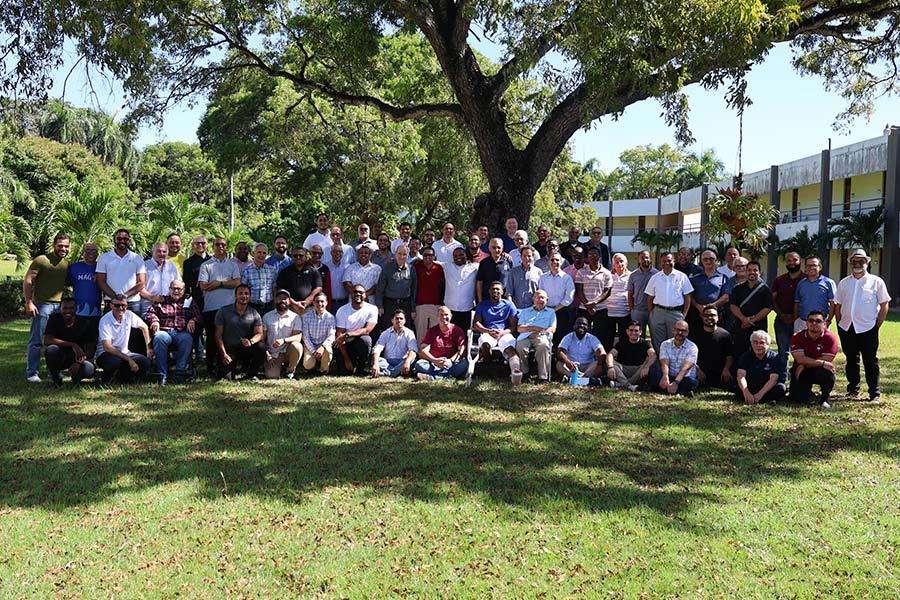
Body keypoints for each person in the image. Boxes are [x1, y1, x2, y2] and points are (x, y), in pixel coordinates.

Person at [834, 249, 891, 402]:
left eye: (861, 261)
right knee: (851, 359)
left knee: (870, 360)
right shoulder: (844, 282)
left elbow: (884, 304)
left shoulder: (876, 281)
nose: (857, 264)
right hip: (847, 327)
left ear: (867, 262)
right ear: (851, 263)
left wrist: (877, 324)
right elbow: (837, 306)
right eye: (854, 261)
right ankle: (853, 390)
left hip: (868, 328)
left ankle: (874, 393)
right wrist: (840, 323)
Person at [23, 232, 71, 382]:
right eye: (60, 245)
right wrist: (29, 302)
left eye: (66, 246)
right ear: (54, 245)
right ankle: (32, 373)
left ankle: (53, 371)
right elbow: (28, 280)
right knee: (37, 341)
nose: (63, 248)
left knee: (56, 341)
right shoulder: (41, 260)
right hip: (42, 306)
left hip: (59, 308)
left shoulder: (66, 264)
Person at [198, 237, 242, 376]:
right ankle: (210, 368)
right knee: (212, 339)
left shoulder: (232, 265)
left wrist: (219, 283)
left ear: (227, 247)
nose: (220, 247)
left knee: (228, 339)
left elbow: (237, 283)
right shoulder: (206, 265)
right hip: (211, 308)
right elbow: (203, 285)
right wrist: (223, 283)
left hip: (229, 308)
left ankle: (227, 368)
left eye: (223, 245)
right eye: (218, 244)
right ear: (213, 246)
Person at [145, 279, 199, 385]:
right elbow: (150, 313)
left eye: (179, 289)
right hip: (165, 331)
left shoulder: (189, 300)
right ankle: (162, 375)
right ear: (169, 289)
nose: (176, 291)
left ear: (183, 290)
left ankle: (179, 373)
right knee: (159, 337)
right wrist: (155, 321)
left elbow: (198, 316)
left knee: (187, 339)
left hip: (181, 332)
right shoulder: (161, 300)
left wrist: (193, 320)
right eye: (173, 288)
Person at [473, 281, 522, 384]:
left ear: (502, 291)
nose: (495, 291)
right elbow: (476, 323)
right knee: (485, 346)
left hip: (504, 333)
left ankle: (515, 373)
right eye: (493, 289)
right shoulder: (483, 304)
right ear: (489, 291)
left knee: (510, 350)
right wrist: (487, 330)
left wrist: (502, 332)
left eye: (498, 289)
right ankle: (490, 370)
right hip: (488, 332)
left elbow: (513, 327)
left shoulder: (509, 305)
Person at [789, 310, 840, 408]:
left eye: (818, 321)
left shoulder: (830, 338)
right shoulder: (797, 336)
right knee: (798, 400)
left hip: (817, 369)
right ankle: (807, 395)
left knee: (828, 372)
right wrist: (821, 362)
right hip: (801, 370)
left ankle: (824, 399)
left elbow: (827, 359)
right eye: (811, 320)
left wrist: (805, 363)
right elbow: (800, 359)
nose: (814, 323)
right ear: (806, 323)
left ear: (824, 324)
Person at [96, 295, 153, 384]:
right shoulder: (105, 320)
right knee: (115, 361)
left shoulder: (129, 315)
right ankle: (107, 378)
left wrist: (149, 348)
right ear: (111, 305)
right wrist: (129, 360)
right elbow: (107, 347)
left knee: (145, 362)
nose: (121, 308)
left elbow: (144, 327)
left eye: (124, 305)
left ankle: (124, 378)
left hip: (125, 352)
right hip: (105, 354)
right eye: (117, 305)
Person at [214, 284, 266, 381]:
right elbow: (218, 335)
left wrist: (251, 341)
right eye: (240, 293)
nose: (243, 296)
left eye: (246, 294)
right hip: (229, 350)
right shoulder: (223, 311)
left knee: (261, 346)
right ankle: (229, 369)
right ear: (235, 296)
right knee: (227, 378)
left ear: (250, 297)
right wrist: (223, 354)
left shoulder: (254, 313)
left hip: (246, 349)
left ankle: (251, 374)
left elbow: (260, 334)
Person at [645, 252, 693, 354]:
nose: (666, 263)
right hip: (658, 312)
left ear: (674, 261)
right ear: (660, 263)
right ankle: (659, 367)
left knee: (676, 341)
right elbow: (649, 298)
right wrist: (651, 314)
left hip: (675, 313)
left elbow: (687, 297)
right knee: (658, 342)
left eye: (669, 260)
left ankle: (673, 366)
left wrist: (684, 314)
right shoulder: (655, 277)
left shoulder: (682, 277)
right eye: (664, 261)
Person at [43, 297, 97, 385]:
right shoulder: (54, 319)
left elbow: (91, 350)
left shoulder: (85, 322)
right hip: (60, 356)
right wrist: (72, 344)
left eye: (71, 308)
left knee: (89, 369)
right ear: (60, 309)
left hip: (78, 358)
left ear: (76, 309)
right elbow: (47, 340)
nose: (68, 311)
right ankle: (56, 378)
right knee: (51, 350)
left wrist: (79, 363)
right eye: (65, 308)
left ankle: (76, 378)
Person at [728, 261, 772, 359]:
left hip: (758, 327)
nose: (752, 272)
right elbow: (733, 306)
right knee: (739, 354)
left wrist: (752, 321)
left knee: (758, 354)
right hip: (741, 327)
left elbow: (767, 308)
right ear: (746, 272)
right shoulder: (737, 288)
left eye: (755, 270)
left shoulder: (765, 290)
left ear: (760, 272)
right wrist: (744, 319)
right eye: (749, 270)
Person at [96, 229, 146, 313]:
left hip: (132, 303)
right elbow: (101, 281)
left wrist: (125, 296)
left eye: (125, 239)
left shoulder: (137, 258)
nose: (122, 241)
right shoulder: (104, 258)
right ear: (114, 240)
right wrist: (115, 297)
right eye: (119, 238)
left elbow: (141, 283)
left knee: (133, 326)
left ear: (129, 241)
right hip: (111, 301)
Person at [415, 306, 469, 380]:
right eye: (441, 314)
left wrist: (450, 361)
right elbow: (423, 350)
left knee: (465, 363)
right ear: (437, 317)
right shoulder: (432, 330)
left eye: (446, 314)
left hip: (451, 363)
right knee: (419, 364)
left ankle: (432, 377)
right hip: (434, 363)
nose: (444, 317)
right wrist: (434, 360)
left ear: (451, 316)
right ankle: (447, 376)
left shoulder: (457, 330)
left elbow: (461, 350)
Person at [334, 285, 379, 375]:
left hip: (359, 340)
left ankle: (361, 368)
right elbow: (339, 335)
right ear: (351, 294)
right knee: (343, 371)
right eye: (355, 292)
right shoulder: (342, 310)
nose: (358, 294)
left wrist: (348, 334)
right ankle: (347, 364)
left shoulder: (372, 309)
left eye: (361, 292)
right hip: (346, 342)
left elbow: (367, 330)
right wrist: (346, 359)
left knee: (366, 340)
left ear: (365, 295)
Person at [514, 290, 556, 383]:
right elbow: (519, 328)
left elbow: (552, 328)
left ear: (547, 300)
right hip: (525, 336)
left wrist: (541, 332)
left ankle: (543, 376)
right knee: (520, 347)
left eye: (542, 297)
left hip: (542, 336)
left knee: (544, 346)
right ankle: (525, 373)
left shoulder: (551, 312)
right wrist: (532, 328)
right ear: (533, 299)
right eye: (537, 297)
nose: (540, 299)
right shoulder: (525, 311)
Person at [648, 320, 698, 396]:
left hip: (684, 378)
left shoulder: (692, 347)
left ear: (687, 333)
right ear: (673, 330)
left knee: (691, 382)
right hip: (669, 375)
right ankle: (679, 391)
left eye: (683, 330)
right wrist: (665, 376)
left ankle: (666, 389)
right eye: (677, 330)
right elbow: (664, 363)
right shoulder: (665, 344)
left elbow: (685, 368)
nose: (680, 333)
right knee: (653, 371)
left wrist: (676, 382)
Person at [735, 330, 787, 404]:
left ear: (768, 345)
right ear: (751, 344)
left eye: (762, 343)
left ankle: (758, 399)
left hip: (767, 388)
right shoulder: (745, 356)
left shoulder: (776, 358)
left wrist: (759, 395)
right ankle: (755, 398)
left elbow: (773, 380)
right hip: (751, 386)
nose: (758, 345)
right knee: (737, 385)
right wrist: (746, 392)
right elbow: (741, 376)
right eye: (755, 342)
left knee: (781, 388)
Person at [575, 247, 613, 346]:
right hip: (584, 308)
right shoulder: (581, 272)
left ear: (599, 256)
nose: (592, 256)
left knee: (601, 334)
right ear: (587, 257)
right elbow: (579, 290)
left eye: (595, 254)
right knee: (582, 332)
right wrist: (588, 305)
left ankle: (600, 357)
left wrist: (594, 303)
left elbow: (607, 292)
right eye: (590, 254)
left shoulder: (606, 273)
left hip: (601, 309)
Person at [262, 290, 303, 379]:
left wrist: (283, 340)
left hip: (288, 351)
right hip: (273, 353)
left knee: (297, 346)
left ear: (289, 301)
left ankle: (290, 370)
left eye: (285, 298)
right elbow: (262, 340)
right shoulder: (267, 316)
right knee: (272, 375)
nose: (282, 301)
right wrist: (267, 354)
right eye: (279, 298)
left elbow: (298, 337)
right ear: (275, 300)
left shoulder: (295, 317)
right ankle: (280, 368)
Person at [375, 244, 416, 331]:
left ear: (407, 255)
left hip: (405, 304)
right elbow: (380, 288)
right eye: (399, 253)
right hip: (390, 304)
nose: (401, 256)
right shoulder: (387, 267)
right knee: (389, 329)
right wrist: (380, 306)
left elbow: (414, 290)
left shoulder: (411, 269)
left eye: (404, 254)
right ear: (395, 254)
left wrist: (413, 309)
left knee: (405, 329)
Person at [688, 249, 731, 332]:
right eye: (705, 259)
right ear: (702, 261)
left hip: (716, 315)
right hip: (697, 315)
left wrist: (711, 306)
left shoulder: (723, 278)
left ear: (716, 261)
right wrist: (698, 306)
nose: (708, 261)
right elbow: (690, 296)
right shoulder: (694, 278)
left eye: (711, 259)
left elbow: (726, 297)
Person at [691, 306, 734, 390]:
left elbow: (729, 356)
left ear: (718, 318)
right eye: (706, 315)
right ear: (702, 317)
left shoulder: (725, 335)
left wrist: (726, 369)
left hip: (719, 373)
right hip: (700, 373)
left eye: (712, 315)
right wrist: (697, 370)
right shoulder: (695, 334)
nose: (709, 318)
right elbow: (689, 356)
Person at [605, 320, 655, 391]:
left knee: (648, 361)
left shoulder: (645, 343)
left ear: (640, 332)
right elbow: (610, 354)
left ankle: (622, 384)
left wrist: (647, 367)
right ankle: (630, 386)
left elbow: (653, 355)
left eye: (636, 331)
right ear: (627, 331)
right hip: (623, 370)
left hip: (639, 371)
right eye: (631, 330)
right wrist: (610, 367)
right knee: (612, 362)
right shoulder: (622, 342)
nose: (633, 333)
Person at [771, 251, 803, 358]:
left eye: (795, 260)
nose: (792, 262)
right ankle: (782, 375)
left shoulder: (806, 279)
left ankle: (798, 374)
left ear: (800, 261)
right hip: (782, 321)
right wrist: (782, 315)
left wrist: (795, 317)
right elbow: (773, 300)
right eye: (789, 260)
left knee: (801, 351)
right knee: (783, 353)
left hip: (801, 321)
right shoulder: (779, 280)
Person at [538, 253, 575, 342]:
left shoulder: (567, 278)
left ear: (561, 262)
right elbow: (541, 293)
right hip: (546, 311)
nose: (554, 262)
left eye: (557, 260)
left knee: (561, 337)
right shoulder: (543, 277)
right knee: (546, 337)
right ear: (548, 262)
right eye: (552, 260)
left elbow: (569, 297)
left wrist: (555, 309)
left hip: (562, 311)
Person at [370, 309, 418, 378]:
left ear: (404, 321)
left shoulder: (409, 333)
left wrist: (407, 362)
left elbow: (413, 350)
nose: (399, 320)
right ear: (392, 320)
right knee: (376, 359)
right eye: (397, 318)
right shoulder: (385, 333)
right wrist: (375, 363)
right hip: (387, 362)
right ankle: (397, 373)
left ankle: (387, 373)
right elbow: (378, 348)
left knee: (412, 359)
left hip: (402, 361)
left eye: (401, 318)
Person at [793, 256, 836, 332]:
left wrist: (828, 320)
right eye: (808, 265)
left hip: (821, 323)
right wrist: (797, 319)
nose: (811, 267)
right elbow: (797, 303)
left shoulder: (829, 283)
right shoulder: (801, 283)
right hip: (802, 323)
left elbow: (833, 304)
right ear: (805, 268)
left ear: (820, 267)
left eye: (814, 265)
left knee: (820, 344)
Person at [277, 246, 323, 315]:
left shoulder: (313, 271)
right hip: (290, 308)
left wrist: (308, 300)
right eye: (295, 256)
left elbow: (318, 287)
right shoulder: (285, 272)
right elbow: (280, 289)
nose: (298, 257)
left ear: (305, 257)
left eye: (301, 255)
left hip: (309, 308)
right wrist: (293, 303)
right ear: (292, 257)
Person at [442, 247, 479, 331]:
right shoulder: (446, 266)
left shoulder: (475, 267)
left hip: (466, 309)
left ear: (466, 255)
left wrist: (504, 255)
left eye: (461, 254)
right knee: (448, 334)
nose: (458, 257)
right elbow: (431, 261)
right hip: (449, 308)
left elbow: (487, 263)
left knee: (464, 335)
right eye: (455, 255)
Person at [412, 247, 445, 340]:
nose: (428, 257)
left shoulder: (439, 268)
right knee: (420, 334)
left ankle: (433, 353)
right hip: (420, 305)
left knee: (435, 333)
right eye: (425, 255)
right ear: (422, 256)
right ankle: (420, 353)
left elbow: (443, 286)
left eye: (430, 255)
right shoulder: (416, 266)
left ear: (434, 256)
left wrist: (442, 304)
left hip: (436, 305)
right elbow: (412, 286)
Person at [300, 293, 336, 375]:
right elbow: (305, 336)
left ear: (326, 302)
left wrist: (322, 347)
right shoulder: (306, 316)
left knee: (328, 349)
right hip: (310, 346)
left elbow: (331, 336)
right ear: (313, 303)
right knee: (308, 365)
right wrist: (313, 351)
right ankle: (314, 365)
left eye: (322, 301)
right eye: (317, 301)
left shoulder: (330, 317)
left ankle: (323, 370)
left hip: (323, 345)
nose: (320, 304)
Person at [140, 242, 179, 316]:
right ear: (153, 252)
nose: (161, 253)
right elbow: (139, 288)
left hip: (168, 307)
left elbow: (178, 284)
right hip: (148, 307)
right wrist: (153, 297)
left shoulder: (171, 266)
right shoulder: (144, 265)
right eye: (158, 251)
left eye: (164, 251)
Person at [67, 242, 102, 323]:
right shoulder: (73, 267)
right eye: (88, 250)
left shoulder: (101, 268)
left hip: (95, 310)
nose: (91, 253)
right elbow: (66, 282)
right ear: (83, 252)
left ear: (97, 253)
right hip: (77, 310)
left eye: (94, 251)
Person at [603, 253, 631, 348]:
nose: (619, 263)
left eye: (621, 261)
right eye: (616, 262)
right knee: (608, 338)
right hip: (610, 312)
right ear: (613, 264)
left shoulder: (631, 276)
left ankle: (622, 357)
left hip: (624, 312)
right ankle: (607, 359)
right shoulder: (608, 276)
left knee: (624, 337)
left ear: (626, 263)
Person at [241, 243, 277, 315]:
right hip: (252, 307)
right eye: (259, 252)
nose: (261, 255)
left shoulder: (272, 270)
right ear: (253, 253)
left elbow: (274, 288)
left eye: (264, 253)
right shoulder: (247, 270)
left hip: (269, 307)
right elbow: (243, 290)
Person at [627, 250, 658, 334]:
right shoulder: (633, 275)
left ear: (650, 259)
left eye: (647, 257)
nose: (645, 260)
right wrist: (631, 309)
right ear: (639, 260)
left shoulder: (657, 274)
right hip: (638, 310)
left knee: (655, 335)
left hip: (653, 310)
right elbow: (630, 293)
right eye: (642, 258)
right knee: (638, 336)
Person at [476, 238, 512, 303]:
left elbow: (512, 280)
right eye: (493, 247)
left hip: (504, 300)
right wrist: (480, 300)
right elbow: (479, 282)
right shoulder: (484, 262)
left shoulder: (508, 261)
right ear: (489, 248)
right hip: (487, 299)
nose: (496, 250)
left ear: (502, 248)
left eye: (499, 247)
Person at [182, 235, 209, 308]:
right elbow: (187, 282)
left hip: (212, 296)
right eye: (197, 243)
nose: (200, 245)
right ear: (193, 245)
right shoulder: (188, 262)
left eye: (203, 243)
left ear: (207, 245)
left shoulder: (212, 260)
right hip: (197, 298)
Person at [323, 243, 349, 312]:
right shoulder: (325, 267)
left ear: (342, 253)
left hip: (344, 302)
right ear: (331, 253)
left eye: (340, 251)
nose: (337, 253)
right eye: (335, 251)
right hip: (329, 303)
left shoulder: (347, 267)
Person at [308, 244, 332, 309]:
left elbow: (328, 288)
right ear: (310, 253)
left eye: (319, 253)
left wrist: (329, 306)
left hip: (321, 304)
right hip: (307, 304)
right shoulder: (305, 266)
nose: (317, 255)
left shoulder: (325, 268)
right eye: (314, 253)